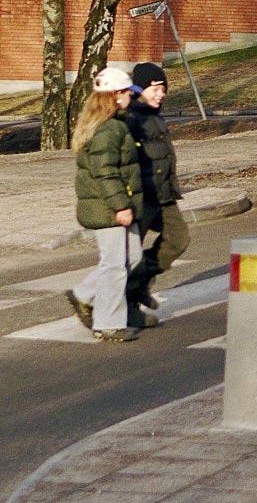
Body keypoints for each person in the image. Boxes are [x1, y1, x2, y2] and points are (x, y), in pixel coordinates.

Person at [65, 67, 144, 342]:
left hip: (115, 203)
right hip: (107, 207)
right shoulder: (108, 129)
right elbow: (105, 172)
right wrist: (121, 206)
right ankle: (108, 324)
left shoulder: (115, 123)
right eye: (126, 93)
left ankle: (84, 294)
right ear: (115, 95)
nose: (130, 98)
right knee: (114, 265)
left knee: (132, 257)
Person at [123, 62, 189, 324]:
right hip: (142, 197)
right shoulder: (131, 119)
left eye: (163, 89)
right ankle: (127, 308)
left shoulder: (155, 115)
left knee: (178, 238)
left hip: (163, 194)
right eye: (155, 89)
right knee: (130, 256)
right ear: (139, 89)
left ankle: (139, 285)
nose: (161, 94)